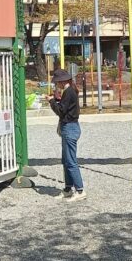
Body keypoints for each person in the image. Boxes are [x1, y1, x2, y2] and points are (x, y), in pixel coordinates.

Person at [47, 68, 85, 201]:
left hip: (69, 128)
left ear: (62, 81)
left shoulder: (68, 92)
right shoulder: (70, 91)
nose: (57, 84)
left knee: (70, 161)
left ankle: (80, 190)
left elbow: (61, 111)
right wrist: (57, 100)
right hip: (70, 127)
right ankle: (68, 188)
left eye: (57, 82)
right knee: (66, 160)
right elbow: (65, 108)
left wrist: (52, 101)